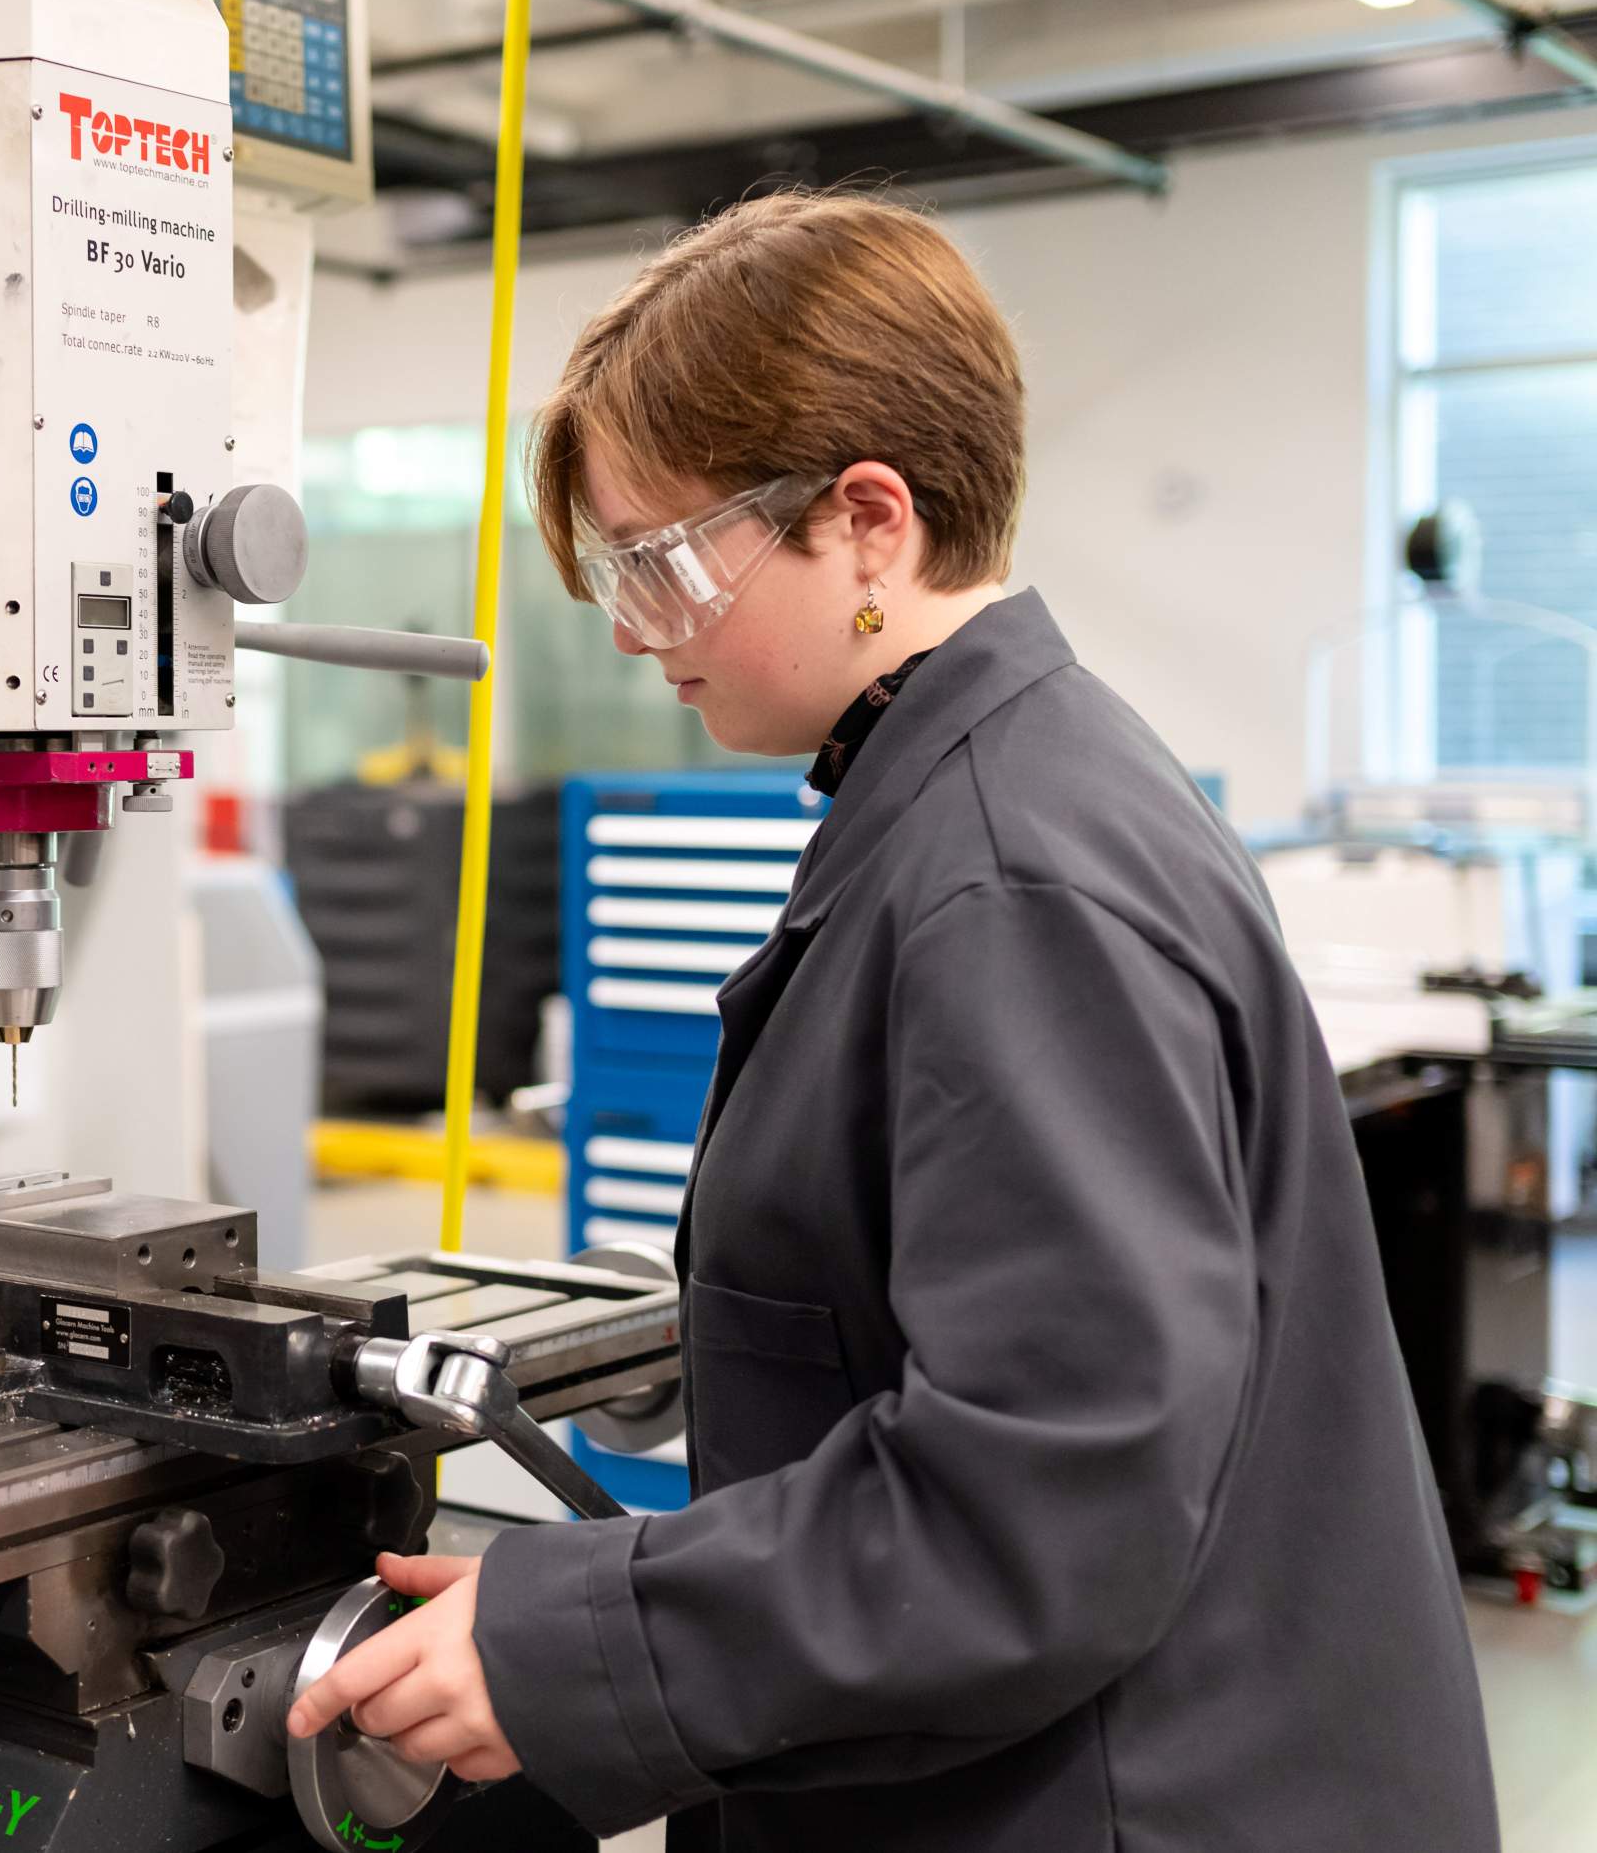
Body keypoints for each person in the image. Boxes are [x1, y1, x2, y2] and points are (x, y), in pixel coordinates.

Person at [285, 192, 1498, 1850]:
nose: (636, 628)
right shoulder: (993, 790)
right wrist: (554, 1607)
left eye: (663, 560)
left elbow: (1040, 1509)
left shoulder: (1008, 878)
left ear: (868, 518)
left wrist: (573, 1637)